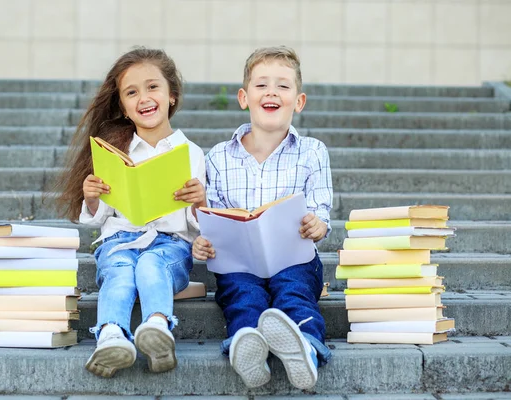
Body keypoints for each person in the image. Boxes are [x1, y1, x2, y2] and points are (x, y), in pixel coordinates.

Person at [54, 47, 206, 378]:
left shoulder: (191, 153)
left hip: (171, 245)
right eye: (131, 92)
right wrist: (91, 196)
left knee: (153, 264)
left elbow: (199, 225)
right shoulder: (115, 153)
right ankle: (110, 335)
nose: (144, 98)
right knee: (120, 270)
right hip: (120, 240)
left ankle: (158, 330)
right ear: (123, 107)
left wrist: (199, 201)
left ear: (171, 96)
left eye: (153, 87)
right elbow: (97, 217)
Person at [193, 46, 333, 390]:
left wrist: (318, 224)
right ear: (244, 97)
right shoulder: (218, 157)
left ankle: (307, 348)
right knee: (242, 296)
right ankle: (246, 346)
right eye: (261, 85)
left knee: (294, 293)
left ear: (298, 102)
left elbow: (321, 208)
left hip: (294, 259)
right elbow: (214, 215)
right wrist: (204, 242)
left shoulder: (313, 151)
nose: (272, 92)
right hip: (240, 262)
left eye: (283, 86)